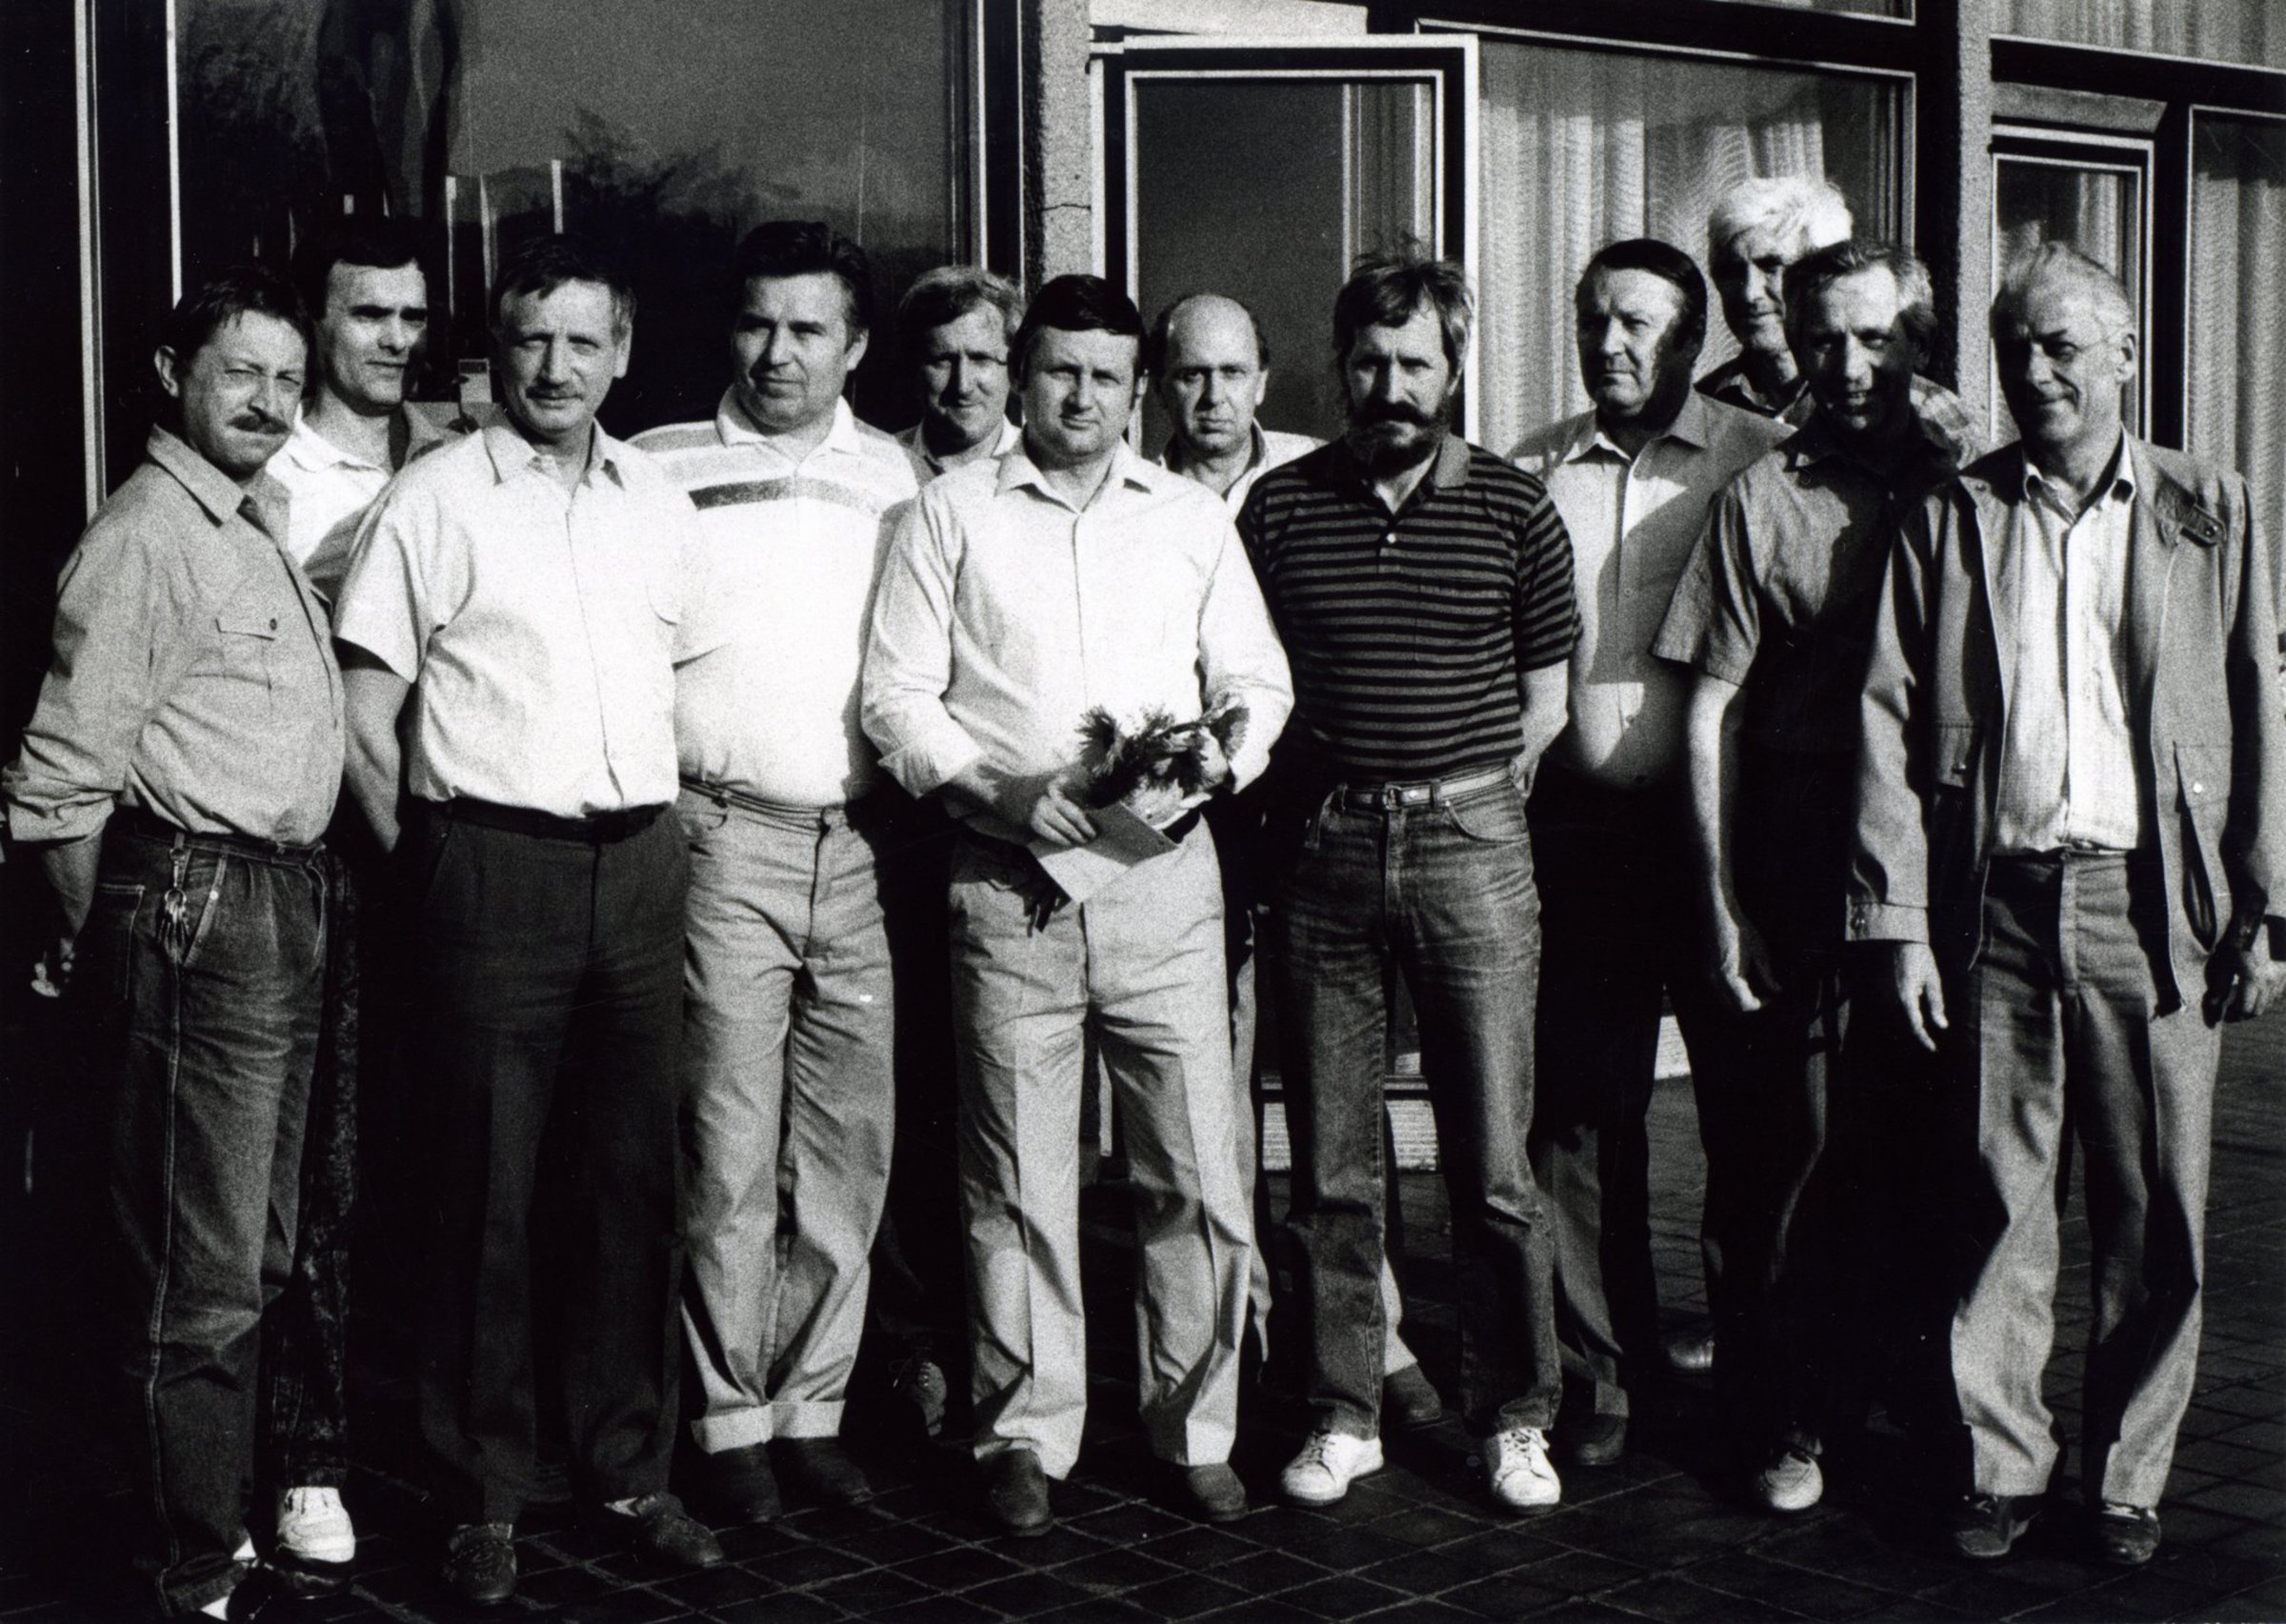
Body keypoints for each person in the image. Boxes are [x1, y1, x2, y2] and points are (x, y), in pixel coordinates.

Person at [1851, 243, 2286, 1567]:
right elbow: (1888, 717)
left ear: (2126, 356)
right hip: (2000, 902)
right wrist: (1900, 921)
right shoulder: (1953, 514)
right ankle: (2002, 1464)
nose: (2035, 372)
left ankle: (2128, 1478)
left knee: (2155, 1213)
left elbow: (2263, 704)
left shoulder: (2210, 508)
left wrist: (2266, 906)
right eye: (2016, 350)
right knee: (2000, 1196)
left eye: (2062, 346)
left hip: (2153, 908)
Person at [862, 274, 1293, 1535]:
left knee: (1193, 1167)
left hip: (1163, 880)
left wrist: (1204, 766)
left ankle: (1194, 1428)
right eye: (1058, 371)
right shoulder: (947, 514)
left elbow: (1256, 682)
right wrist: (996, 787)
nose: (1082, 397)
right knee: (1016, 1173)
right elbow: (896, 696)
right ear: (1020, 376)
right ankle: (1025, 1432)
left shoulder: (1189, 521)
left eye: (1107, 376)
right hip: (1009, 885)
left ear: (1137, 389)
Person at [331, 234, 721, 1604]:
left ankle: (626, 1464)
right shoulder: (436, 498)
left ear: (623, 354)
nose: (556, 368)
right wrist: (432, 872)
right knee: (480, 1192)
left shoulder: (658, 501)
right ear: (495, 352)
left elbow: (685, 686)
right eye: (530, 340)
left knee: (629, 1185)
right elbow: (363, 720)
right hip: (488, 864)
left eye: (582, 342)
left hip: (640, 867)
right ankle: (482, 1491)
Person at [4, 267, 342, 1619]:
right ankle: (187, 1574)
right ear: (170, 375)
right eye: (240, 372)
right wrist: (89, 932)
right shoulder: (148, 533)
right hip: (201, 903)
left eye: (287, 378)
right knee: (198, 1271)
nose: (269, 400)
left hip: (279, 901)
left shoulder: (246, 524)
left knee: (252, 1253)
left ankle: (216, 1533)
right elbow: (59, 786)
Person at [1242, 246, 1577, 1514]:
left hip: (1469, 843)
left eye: (1417, 364)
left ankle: (1515, 1415)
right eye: (1371, 362)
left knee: (1492, 1164)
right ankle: (1344, 1410)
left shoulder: (1515, 509)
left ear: (1455, 369)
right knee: (1334, 1163)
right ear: (1341, 367)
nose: (1392, 386)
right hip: (1323, 846)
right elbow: (1251, 678)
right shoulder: (1279, 509)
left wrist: (1465, 795)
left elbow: (1546, 698)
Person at [1654, 240, 1977, 1514]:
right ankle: (1779, 1414)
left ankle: (1906, 1388)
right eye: (1825, 338)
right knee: (1772, 1148)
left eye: (1876, 337)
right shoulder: (1763, 496)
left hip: (1937, 847)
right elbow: (1711, 709)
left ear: (1919, 342)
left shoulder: (1969, 480)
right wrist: (1720, 897)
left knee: (1918, 1140)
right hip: (1793, 838)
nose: (1849, 365)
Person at [632, 221, 919, 1519]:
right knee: (728, 1142)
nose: (778, 352)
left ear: (854, 346)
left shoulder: (900, 477)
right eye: (758, 323)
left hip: (856, 851)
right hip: (721, 837)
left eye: (809, 329)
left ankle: (814, 1405)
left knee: (848, 1147)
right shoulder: (656, 466)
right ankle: (731, 1415)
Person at [1510, 238, 1787, 1470]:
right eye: (1595, 318)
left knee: (1747, 1113)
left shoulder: (1756, 461)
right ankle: (1601, 1374)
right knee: (1582, 1110)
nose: (1611, 342)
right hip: (1581, 835)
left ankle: (1759, 1380)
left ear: (1690, 338)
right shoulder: (1534, 470)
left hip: (1720, 836)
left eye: (1639, 323)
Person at [1147, 290, 1441, 1428]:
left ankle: (1381, 1334)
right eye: (1189, 375)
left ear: (1265, 380)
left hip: (1322, 819)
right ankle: (1261, 1332)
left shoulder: (1323, 480)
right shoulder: (1136, 499)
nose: (1212, 397)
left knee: (1339, 1090)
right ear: (1160, 386)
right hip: (1198, 830)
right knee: (1214, 1092)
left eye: (1232, 374)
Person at [864, 262, 1026, 1442]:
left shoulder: (1045, 476)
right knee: (914, 1086)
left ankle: (1017, 1346)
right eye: (940, 358)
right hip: (901, 828)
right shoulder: (876, 478)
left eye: (983, 357)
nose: (962, 381)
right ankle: (917, 1347)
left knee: (1009, 1098)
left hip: (1019, 831)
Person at [270, 216, 457, 603]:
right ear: (311, 321)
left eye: (414, 318)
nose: (398, 341)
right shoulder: (272, 474)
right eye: (370, 315)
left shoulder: (457, 457)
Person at [896, 264, 1024, 483]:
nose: (962, 386)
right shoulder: (882, 464)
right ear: (915, 367)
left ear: (1013, 368)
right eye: (943, 360)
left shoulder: (1042, 469)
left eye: (980, 359)